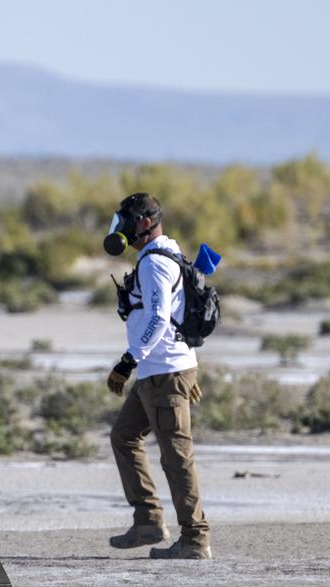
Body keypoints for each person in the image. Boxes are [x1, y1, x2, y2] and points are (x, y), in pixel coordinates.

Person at [105, 193, 211, 559]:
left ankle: (195, 538)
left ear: (146, 222)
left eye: (127, 221)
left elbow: (158, 317)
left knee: (176, 456)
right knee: (124, 436)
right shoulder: (161, 256)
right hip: (159, 371)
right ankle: (148, 521)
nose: (122, 229)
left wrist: (127, 361)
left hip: (162, 372)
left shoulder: (154, 264)